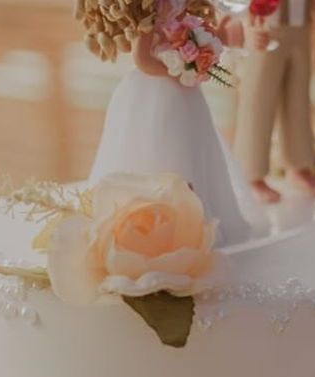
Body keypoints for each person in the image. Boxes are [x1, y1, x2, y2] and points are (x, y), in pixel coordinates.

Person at [89, 28, 254, 246]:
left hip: (184, 90)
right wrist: (177, 71)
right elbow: (142, 59)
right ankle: (154, 220)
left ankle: (192, 219)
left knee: (192, 149)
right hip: (157, 89)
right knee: (161, 146)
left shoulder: (182, 14)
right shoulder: (149, 16)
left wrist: (199, 58)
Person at [228, 0, 315, 204]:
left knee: (298, 101)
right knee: (258, 101)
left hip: (301, 32)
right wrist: (249, 28)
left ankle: (299, 165)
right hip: (267, 30)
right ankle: (251, 173)